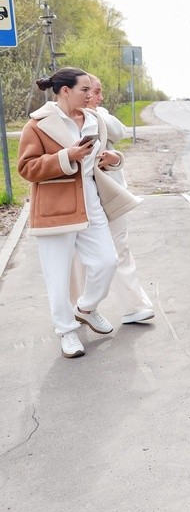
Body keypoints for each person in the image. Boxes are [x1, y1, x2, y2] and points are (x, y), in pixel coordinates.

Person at [17, 68, 139, 358]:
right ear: (64, 91)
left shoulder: (94, 120)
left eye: (90, 89)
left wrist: (113, 159)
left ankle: (85, 307)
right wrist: (65, 157)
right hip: (55, 209)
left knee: (107, 261)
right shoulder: (37, 125)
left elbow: (106, 155)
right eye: (85, 89)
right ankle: (66, 331)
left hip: (91, 202)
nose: (91, 94)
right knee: (57, 275)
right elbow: (26, 167)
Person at [68, 75, 153, 324]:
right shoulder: (63, 120)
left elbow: (120, 131)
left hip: (110, 196)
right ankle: (78, 308)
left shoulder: (100, 115)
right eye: (93, 91)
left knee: (119, 250)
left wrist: (92, 112)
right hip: (79, 198)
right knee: (78, 258)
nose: (99, 96)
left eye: (95, 91)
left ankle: (134, 306)